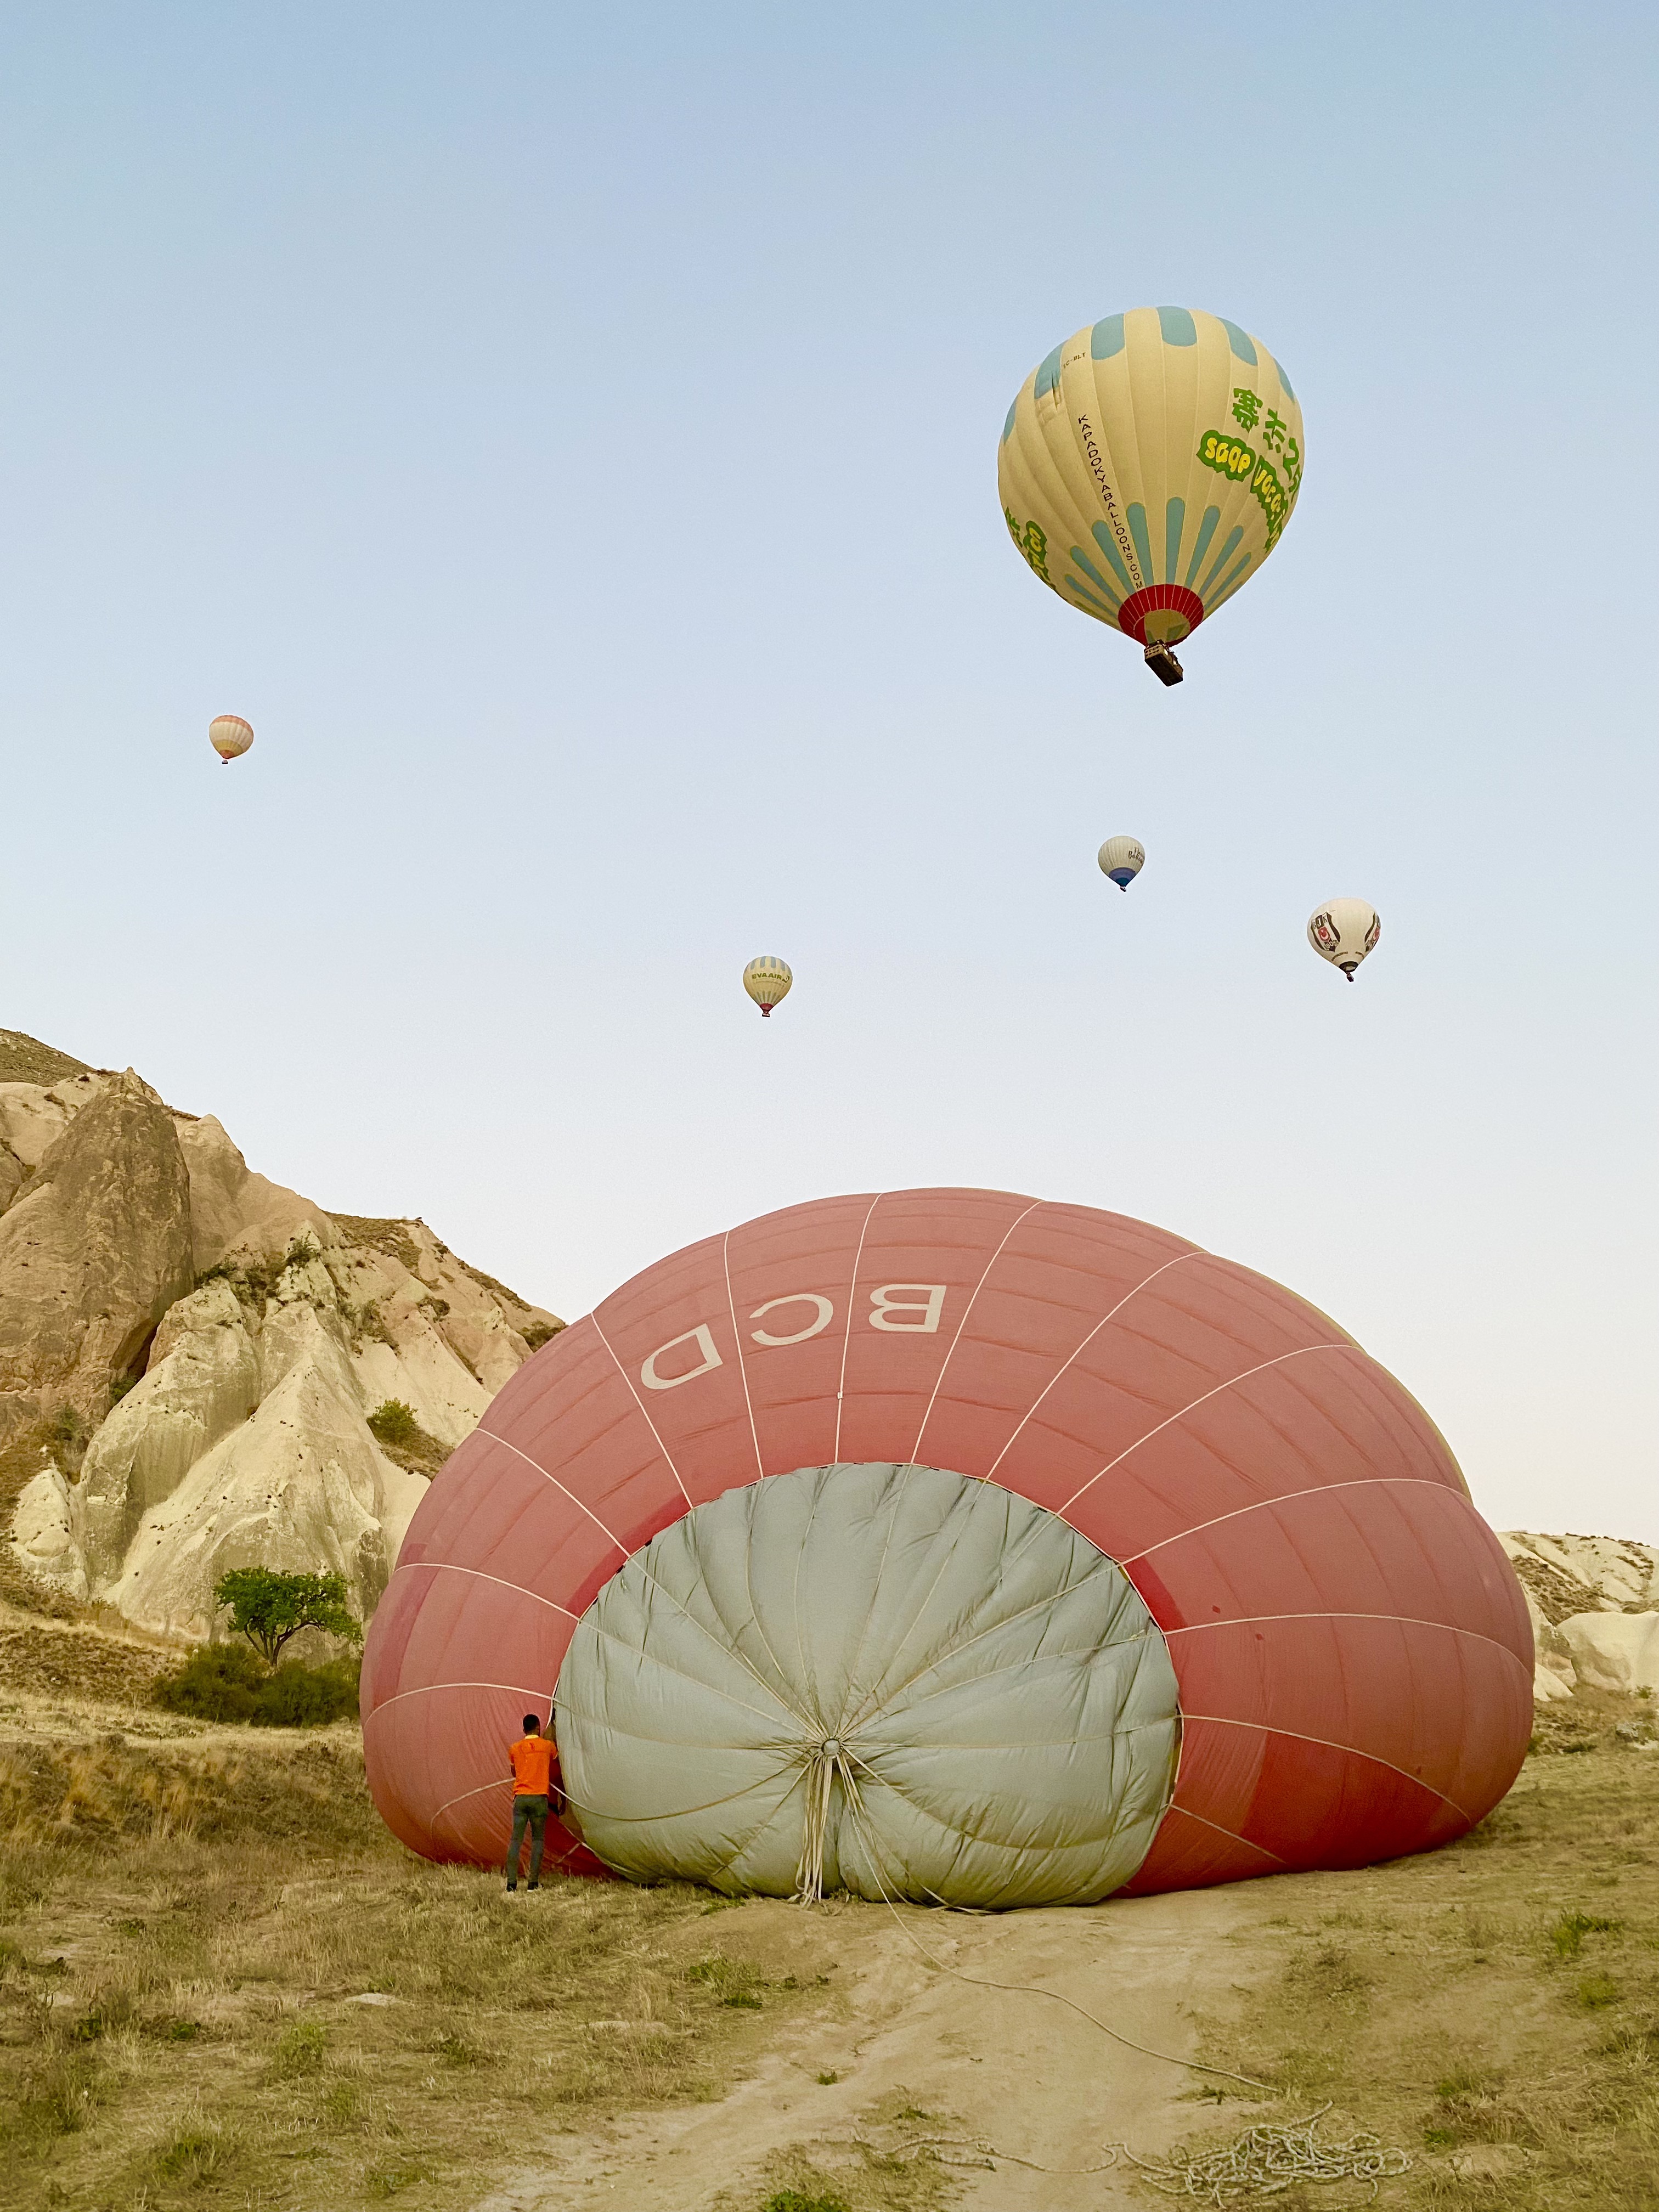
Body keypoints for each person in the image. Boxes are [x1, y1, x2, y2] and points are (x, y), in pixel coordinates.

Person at [505, 1712, 560, 1892]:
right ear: (538, 1727)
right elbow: (556, 1759)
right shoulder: (547, 1746)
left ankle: (511, 1884)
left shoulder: (515, 1748)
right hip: (539, 1798)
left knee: (515, 1841)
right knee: (538, 1840)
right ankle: (532, 1884)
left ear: (523, 1730)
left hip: (521, 1798)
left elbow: (514, 1772)